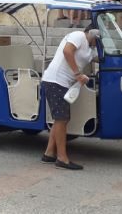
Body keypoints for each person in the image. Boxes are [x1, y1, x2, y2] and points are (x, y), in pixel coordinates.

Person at [41, 25, 99, 171]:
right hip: (55, 80)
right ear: (92, 33)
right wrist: (77, 74)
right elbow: (67, 51)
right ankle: (62, 158)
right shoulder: (78, 35)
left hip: (63, 83)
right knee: (62, 119)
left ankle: (49, 153)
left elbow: (99, 59)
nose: (98, 42)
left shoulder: (90, 49)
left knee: (61, 119)